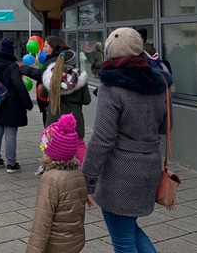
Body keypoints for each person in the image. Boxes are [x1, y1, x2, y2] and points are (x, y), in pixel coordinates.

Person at [82, 27, 172, 253]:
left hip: (120, 173)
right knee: (129, 230)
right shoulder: (159, 84)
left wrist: (87, 180)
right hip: (149, 165)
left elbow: (102, 139)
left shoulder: (111, 87)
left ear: (110, 51)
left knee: (123, 241)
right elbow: (166, 126)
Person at [26, 113, 88, 253]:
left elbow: (42, 220)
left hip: (55, 245)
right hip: (74, 241)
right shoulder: (78, 174)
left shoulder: (50, 179)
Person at [23, 48, 91, 169]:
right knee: (79, 144)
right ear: (74, 63)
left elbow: (43, 93)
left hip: (54, 116)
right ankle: (85, 170)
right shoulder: (80, 77)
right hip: (74, 118)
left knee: (52, 143)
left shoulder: (52, 75)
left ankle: (51, 170)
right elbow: (87, 100)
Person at [0, 38, 34, 173]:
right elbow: (18, 85)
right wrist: (28, 103)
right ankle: (11, 163)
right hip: (12, 104)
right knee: (10, 133)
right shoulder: (12, 66)